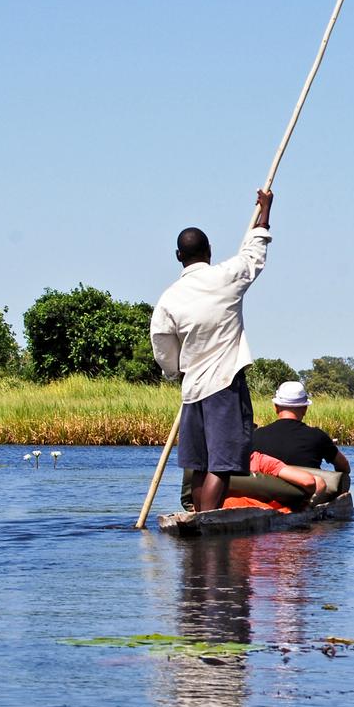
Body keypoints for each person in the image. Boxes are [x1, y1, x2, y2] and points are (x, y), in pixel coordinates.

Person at [151, 189, 273, 512]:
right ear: (209, 251)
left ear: (178, 256)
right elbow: (253, 256)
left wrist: (174, 372)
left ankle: (198, 520)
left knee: (200, 465)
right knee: (221, 465)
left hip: (192, 390)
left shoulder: (169, 299)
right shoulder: (225, 277)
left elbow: (163, 348)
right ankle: (206, 520)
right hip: (223, 385)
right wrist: (265, 212)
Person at [250, 380, 351, 484]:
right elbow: (344, 466)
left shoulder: (256, 435)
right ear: (305, 409)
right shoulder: (318, 436)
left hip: (266, 494)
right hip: (306, 495)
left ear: (276, 407)